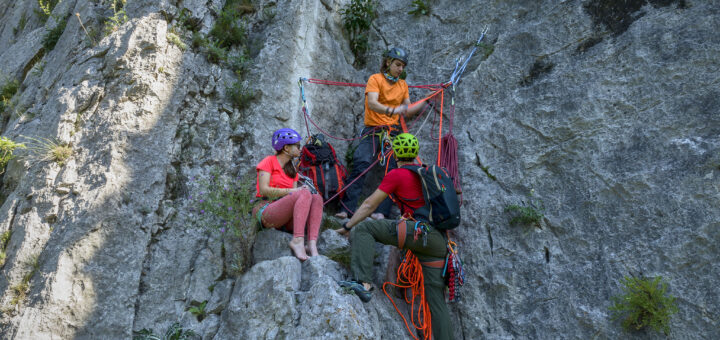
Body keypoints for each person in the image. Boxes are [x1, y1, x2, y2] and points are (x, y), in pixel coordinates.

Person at [336, 133, 453, 340]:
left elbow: (370, 204)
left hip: (414, 231)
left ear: (395, 153)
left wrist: (348, 225)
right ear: (415, 153)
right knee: (436, 300)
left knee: (365, 229)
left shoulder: (397, 174)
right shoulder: (426, 173)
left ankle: (362, 283)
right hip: (438, 241)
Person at [336, 47, 427, 220]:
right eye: (398, 64)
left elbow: (407, 110)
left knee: (394, 171)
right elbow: (372, 103)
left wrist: (427, 100)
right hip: (373, 130)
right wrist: (393, 110)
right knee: (361, 162)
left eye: (403, 66)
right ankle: (346, 209)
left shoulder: (402, 85)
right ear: (388, 62)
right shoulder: (375, 79)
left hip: (392, 133)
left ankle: (381, 212)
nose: (400, 69)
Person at [255, 128, 323, 261]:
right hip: (267, 210)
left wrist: (297, 191)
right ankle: (297, 240)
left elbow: (294, 197)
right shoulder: (268, 162)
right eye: (297, 146)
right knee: (303, 192)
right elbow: (263, 190)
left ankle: (311, 244)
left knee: (316, 197)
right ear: (286, 148)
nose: (300, 149)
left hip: (285, 216)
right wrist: (293, 191)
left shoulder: (291, 170)